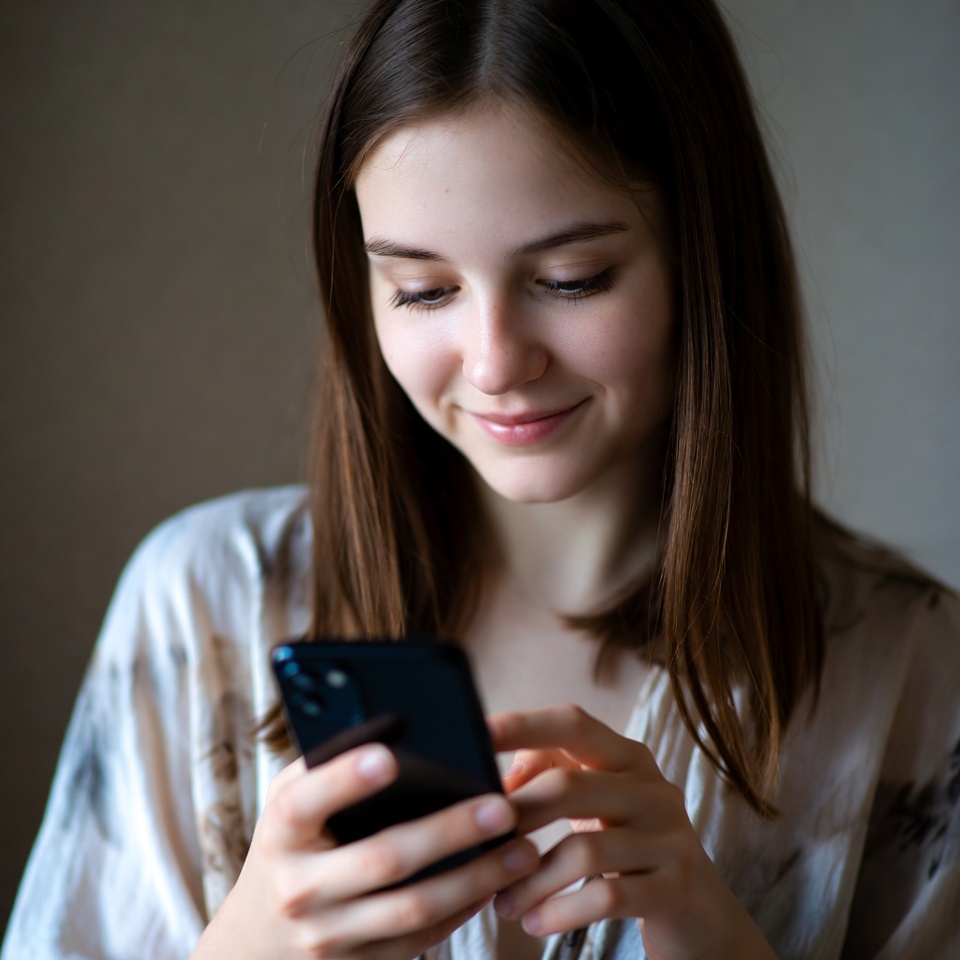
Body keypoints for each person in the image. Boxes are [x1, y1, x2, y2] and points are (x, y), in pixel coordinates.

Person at [3, 0, 959, 958]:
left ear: (703, 259)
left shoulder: (914, 670)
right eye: (422, 290)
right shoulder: (202, 608)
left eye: (573, 277)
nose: (496, 363)